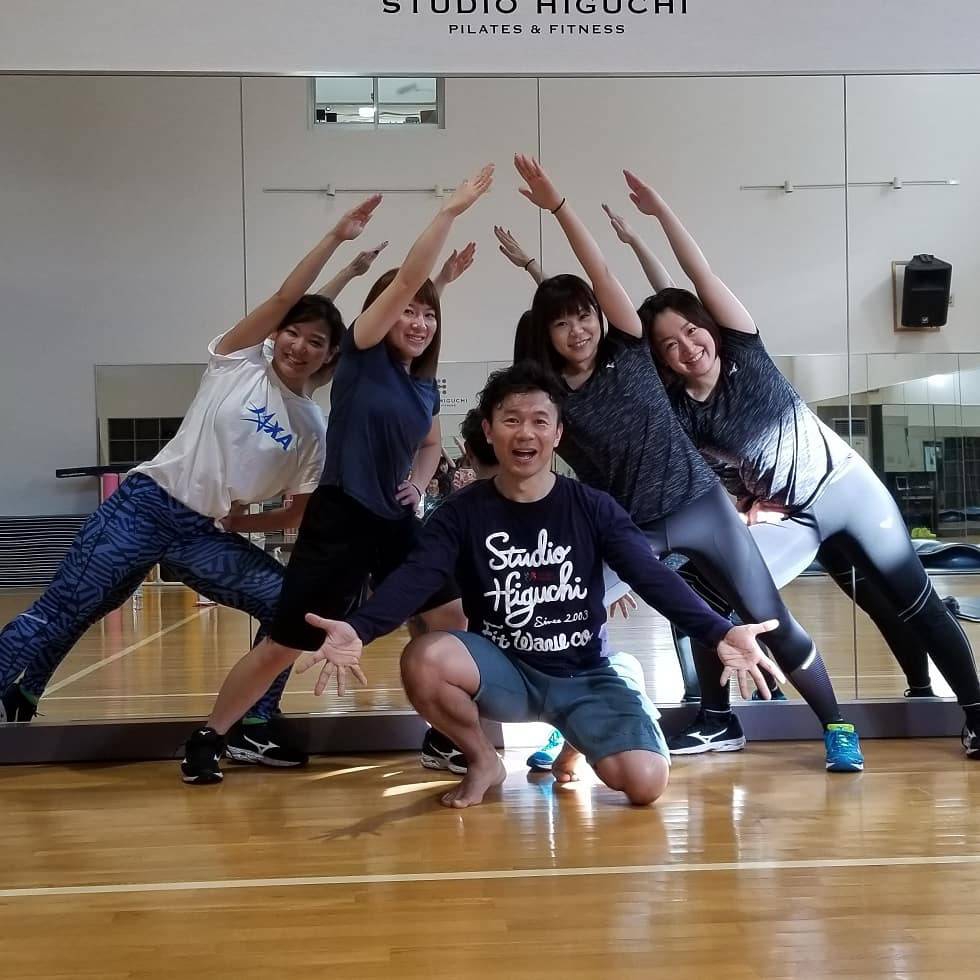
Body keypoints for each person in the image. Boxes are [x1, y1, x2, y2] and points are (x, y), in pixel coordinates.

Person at [0, 197, 383, 769]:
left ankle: (253, 725)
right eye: (292, 334)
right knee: (66, 610)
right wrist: (339, 247)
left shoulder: (312, 428)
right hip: (142, 508)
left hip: (199, 533)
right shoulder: (239, 363)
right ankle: (21, 692)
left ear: (330, 359)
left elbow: (298, 510)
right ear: (277, 334)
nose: (299, 347)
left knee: (287, 607)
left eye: (316, 343)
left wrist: (243, 521)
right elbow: (287, 300)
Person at [297, 362, 785, 809]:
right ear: (489, 431)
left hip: (585, 674)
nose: (525, 432)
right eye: (511, 420)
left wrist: (720, 631)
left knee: (645, 784)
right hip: (507, 671)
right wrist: (359, 629)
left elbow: (650, 575)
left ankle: (592, 720)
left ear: (557, 433)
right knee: (425, 659)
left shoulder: (592, 507)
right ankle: (482, 760)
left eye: (539, 420)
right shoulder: (462, 514)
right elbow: (416, 577)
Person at [511, 154, 863, 772]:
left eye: (584, 316)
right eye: (562, 324)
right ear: (548, 335)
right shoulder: (553, 397)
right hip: (633, 528)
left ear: (599, 316)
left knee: (769, 619)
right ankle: (568, 730)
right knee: (571, 617)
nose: (578, 330)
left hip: (702, 508)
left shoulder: (629, 347)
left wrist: (559, 207)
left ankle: (837, 727)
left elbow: (599, 270)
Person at [618, 168, 980, 758]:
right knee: (707, 592)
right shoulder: (680, 412)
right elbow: (662, 324)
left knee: (910, 599)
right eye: (670, 346)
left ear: (708, 326)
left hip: (848, 490)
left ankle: (974, 710)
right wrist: (747, 508)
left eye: (692, 331)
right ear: (662, 360)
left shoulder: (743, 348)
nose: (688, 347)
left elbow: (695, 280)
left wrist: (657, 219)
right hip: (795, 516)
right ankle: (719, 718)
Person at [179, 163, 495, 784]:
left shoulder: (421, 385)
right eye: (409, 311)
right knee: (285, 641)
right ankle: (210, 737)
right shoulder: (362, 354)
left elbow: (432, 443)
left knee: (450, 619)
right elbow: (408, 282)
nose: (419, 322)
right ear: (383, 312)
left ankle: (443, 737)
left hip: (394, 521)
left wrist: (418, 482)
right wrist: (448, 212)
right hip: (342, 516)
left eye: (429, 316)